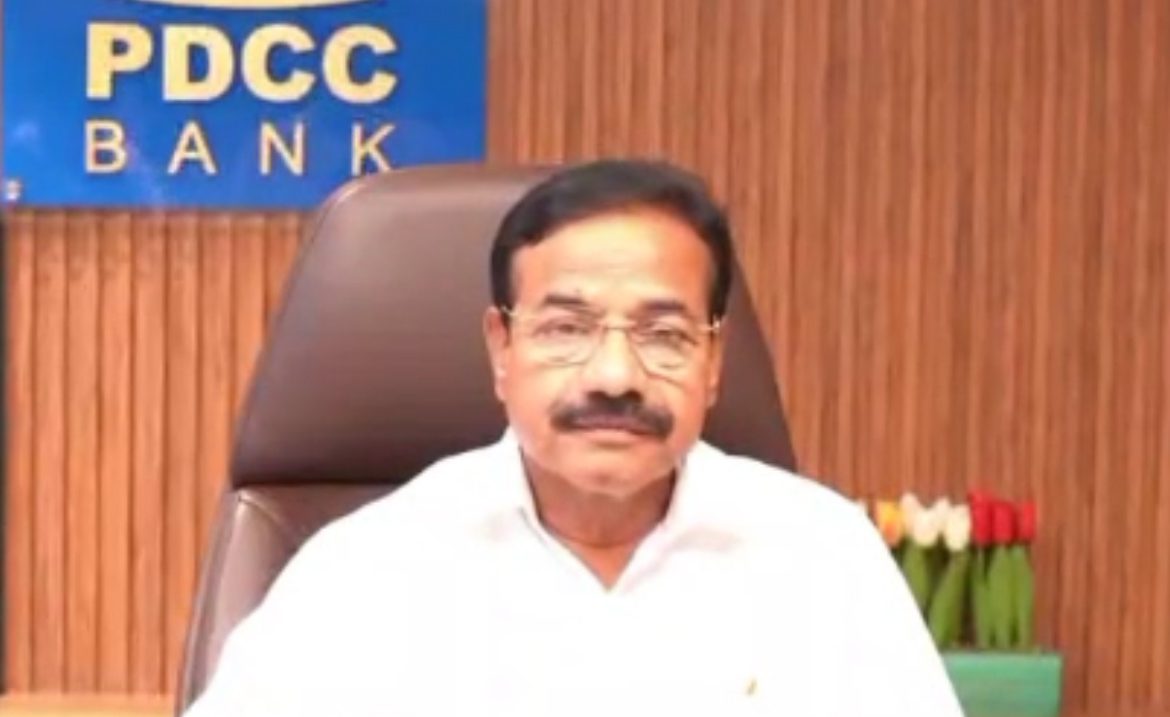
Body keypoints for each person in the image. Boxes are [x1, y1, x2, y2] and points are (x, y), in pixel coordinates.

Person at [184, 160, 962, 716]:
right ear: (501, 348)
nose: (615, 375)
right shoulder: (371, 568)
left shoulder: (820, 554)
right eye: (567, 328)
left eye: (663, 333)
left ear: (715, 360)